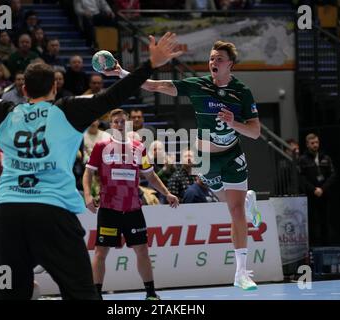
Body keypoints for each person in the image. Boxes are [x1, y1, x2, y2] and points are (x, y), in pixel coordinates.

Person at [0, 31, 183, 300]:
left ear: (24, 90)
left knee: (7, 292)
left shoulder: (5, 112)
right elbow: (113, 96)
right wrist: (149, 65)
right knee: (81, 293)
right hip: (52, 213)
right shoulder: (67, 110)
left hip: (7, 214)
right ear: (54, 88)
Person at [109, 40, 262, 290]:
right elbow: (154, 85)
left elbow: (255, 132)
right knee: (229, 202)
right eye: (212, 58)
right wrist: (121, 72)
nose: (214, 62)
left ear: (230, 64)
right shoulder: (197, 85)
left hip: (232, 153)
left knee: (235, 213)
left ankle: (241, 273)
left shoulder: (242, 92)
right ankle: (247, 200)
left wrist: (235, 123)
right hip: (206, 158)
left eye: (219, 59)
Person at [82, 108, 179, 300]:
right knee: (101, 252)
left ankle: (151, 293)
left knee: (142, 250)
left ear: (128, 124)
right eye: (115, 122)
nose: (119, 125)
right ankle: (96, 295)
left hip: (133, 208)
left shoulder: (138, 147)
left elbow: (150, 175)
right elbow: (88, 173)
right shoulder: (101, 146)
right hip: (109, 208)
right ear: (111, 125)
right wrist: (87, 195)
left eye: (122, 122)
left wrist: (167, 193)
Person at [298, 133, 336, 246]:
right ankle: (314, 248)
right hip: (310, 195)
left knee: (326, 222)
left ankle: (327, 247)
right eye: (312, 143)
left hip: (325, 194)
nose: (315, 145)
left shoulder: (325, 157)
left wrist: (322, 189)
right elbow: (301, 178)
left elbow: (333, 175)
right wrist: (314, 189)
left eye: (317, 142)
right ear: (307, 144)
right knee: (313, 223)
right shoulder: (302, 160)